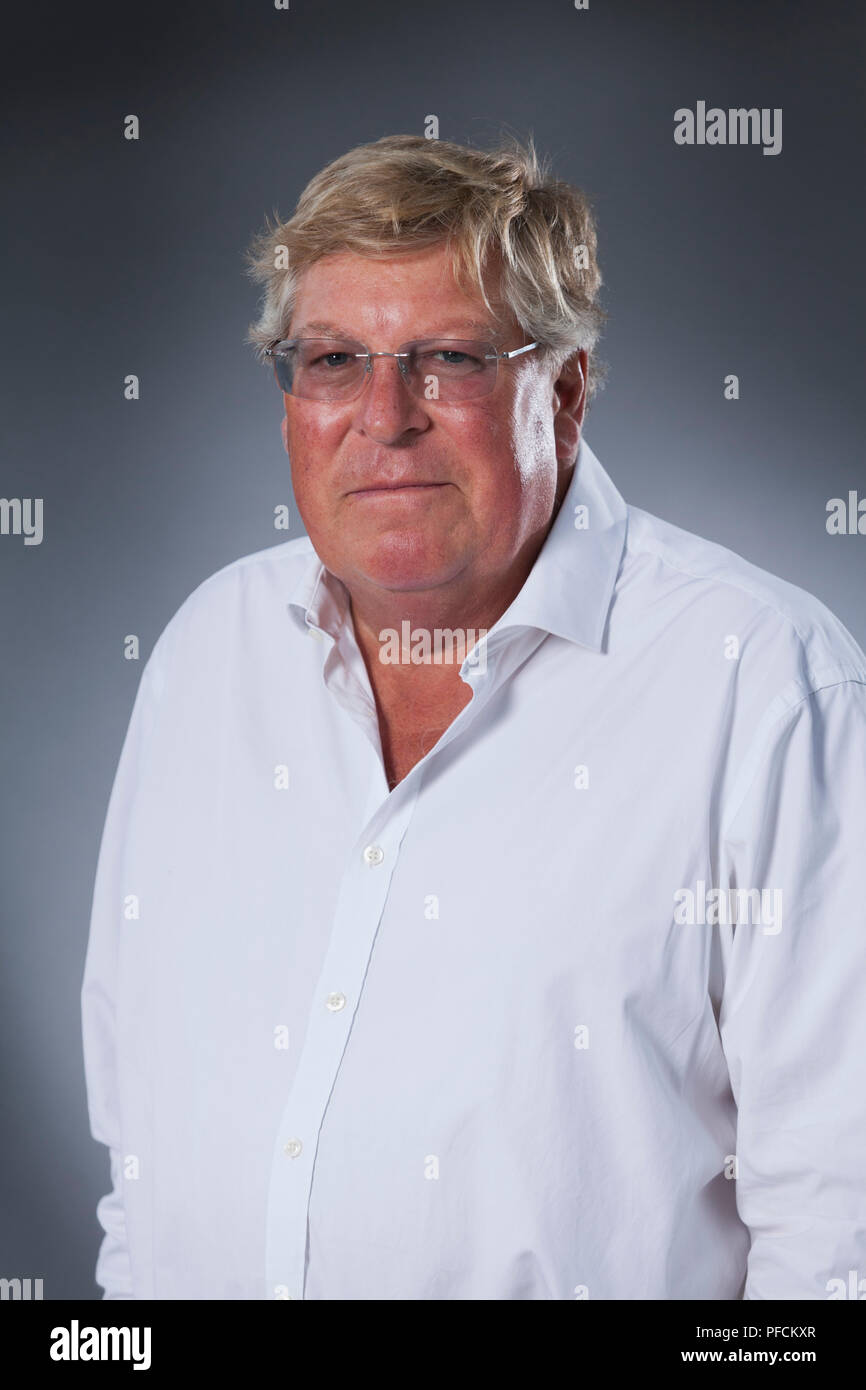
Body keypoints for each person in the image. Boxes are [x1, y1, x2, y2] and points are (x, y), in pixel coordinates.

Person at [81, 133, 866, 1300]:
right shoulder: (206, 654)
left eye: (447, 357)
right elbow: (138, 1169)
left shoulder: (761, 685)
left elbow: (838, 1240)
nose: (383, 416)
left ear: (564, 388)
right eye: (334, 359)